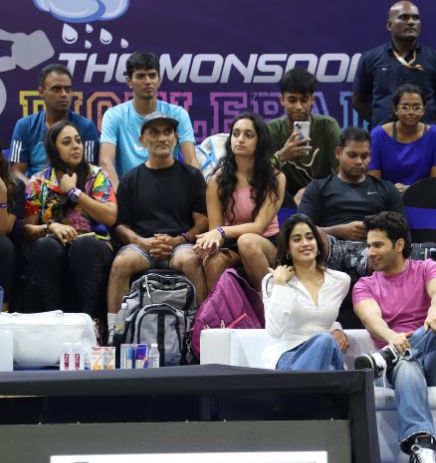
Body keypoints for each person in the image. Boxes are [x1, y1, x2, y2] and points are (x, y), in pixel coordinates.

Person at [353, 211, 436, 463]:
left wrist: (434, 309)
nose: (370, 252)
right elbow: (371, 319)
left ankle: (389, 356)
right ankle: (423, 449)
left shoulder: (427, 267)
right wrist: (391, 337)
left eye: (377, 245)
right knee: (407, 364)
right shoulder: (365, 284)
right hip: (397, 372)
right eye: (368, 245)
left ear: (399, 245)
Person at [106, 113, 208, 340]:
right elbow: (121, 226)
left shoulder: (192, 176)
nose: (162, 138)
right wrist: (143, 242)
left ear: (176, 138)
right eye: (154, 132)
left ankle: (200, 330)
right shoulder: (130, 179)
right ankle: (116, 331)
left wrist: (179, 240)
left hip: (180, 245)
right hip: (142, 247)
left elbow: (202, 221)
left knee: (192, 260)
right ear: (142, 141)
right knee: (120, 263)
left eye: (167, 132)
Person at [21, 121, 116, 322]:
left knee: (84, 245)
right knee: (44, 246)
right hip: (55, 243)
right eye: (67, 142)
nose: (75, 146)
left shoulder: (96, 175)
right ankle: (53, 319)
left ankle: (89, 321)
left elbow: (110, 216)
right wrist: (50, 226)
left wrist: (74, 192)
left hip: (95, 244)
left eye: (78, 141)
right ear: (54, 148)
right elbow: (27, 228)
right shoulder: (38, 182)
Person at [194, 112, 285, 291]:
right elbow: (215, 230)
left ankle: (270, 302)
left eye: (248, 135)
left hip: (267, 243)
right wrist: (208, 244)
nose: (240, 139)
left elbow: (259, 226)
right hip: (231, 243)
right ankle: (221, 310)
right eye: (236, 134)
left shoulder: (275, 177)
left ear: (260, 141)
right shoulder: (216, 180)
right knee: (212, 262)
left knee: (247, 242)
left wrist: (221, 232)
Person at [298, 127, 405, 278]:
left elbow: (402, 230)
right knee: (309, 234)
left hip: (372, 250)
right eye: (352, 155)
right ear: (338, 153)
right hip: (329, 248)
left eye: (364, 156)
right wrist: (339, 231)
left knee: (387, 247)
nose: (359, 161)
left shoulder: (386, 189)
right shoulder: (318, 187)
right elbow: (300, 229)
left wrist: (375, 233)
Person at [261, 213, 351, 371]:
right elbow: (274, 331)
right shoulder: (273, 281)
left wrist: (336, 328)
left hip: (326, 355)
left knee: (325, 344)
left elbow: (317, 316)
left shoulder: (339, 280)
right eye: (297, 239)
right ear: (287, 248)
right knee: (324, 342)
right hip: (289, 355)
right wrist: (281, 286)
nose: (305, 243)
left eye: (310, 238)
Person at [353, 0, 436, 131]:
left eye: (416, 18)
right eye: (404, 17)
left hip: (423, 138)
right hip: (384, 137)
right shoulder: (370, 58)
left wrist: (426, 125)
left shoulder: (435, 59)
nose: (411, 22)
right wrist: (380, 123)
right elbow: (358, 101)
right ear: (389, 25)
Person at [99, 51, 199, 188]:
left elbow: (191, 160)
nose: (147, 82)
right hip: (129, 194)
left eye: (152, 75)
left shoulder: (178, 114)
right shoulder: (113, 116)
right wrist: (119, 197)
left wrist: (197, 192)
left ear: (159, 80)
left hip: (171, 192)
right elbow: (105, 162)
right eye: (140, 76)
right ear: (129, 81)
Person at [10, 64, 99, 183]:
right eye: (56, 89)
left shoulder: (86, 127)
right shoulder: (25, 126)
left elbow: (87, 171)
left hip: (73, 188)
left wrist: (67, 190)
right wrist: (35, 190)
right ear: (41, 92)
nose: (64, 94)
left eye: (68, 89)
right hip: (34, 190)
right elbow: (16, 172)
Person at [266, 68, 340, 205]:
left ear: (312, 100)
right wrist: (281, 157)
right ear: (282, 100)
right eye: (292, 100)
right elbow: (256, 174)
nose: (299, 106)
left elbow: (343, 174)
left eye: (304, 100)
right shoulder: (272, 129)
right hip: (282, 200)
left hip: (323, 198)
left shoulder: (328, 126)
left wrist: (312, 192)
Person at [367, 84, 436, 193]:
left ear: (424, 109)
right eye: (405, 107)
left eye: (417, 107)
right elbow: (373, 186)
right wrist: (393, 192)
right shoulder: (378, 135)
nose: (411, 112)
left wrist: (410, 190)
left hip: (425, 198)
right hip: (387, 199)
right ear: (395, 109)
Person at [0, 139, 25, 311]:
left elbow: (3, 229)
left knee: (4, 245)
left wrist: (2, 195)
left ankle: (3, 310)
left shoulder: (14, 186)